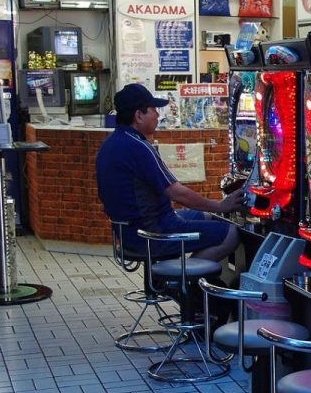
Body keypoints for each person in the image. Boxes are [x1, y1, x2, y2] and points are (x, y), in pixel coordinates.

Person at [96, 83, 245, 261]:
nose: (158, 115)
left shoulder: (111, 143)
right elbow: (177, 193)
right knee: (230, 233)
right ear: (139, 115)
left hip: (129, 232)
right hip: (152, 232)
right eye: (153, 110)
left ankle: (173, 278)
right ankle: (183, 282)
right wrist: (221, 205)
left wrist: (215, 208)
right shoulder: (138, 147)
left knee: (210, 216)